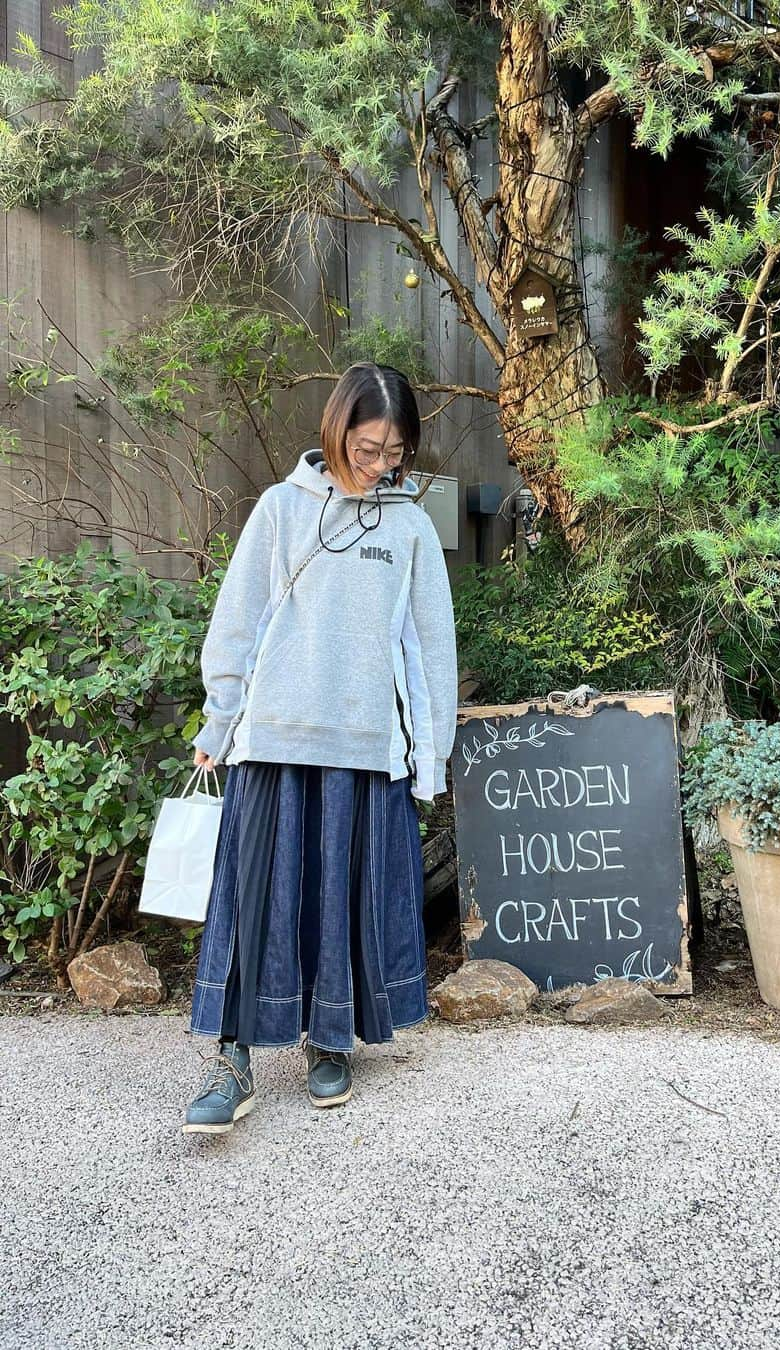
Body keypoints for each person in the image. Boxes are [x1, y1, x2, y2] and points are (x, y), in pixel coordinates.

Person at [180, 362, 458, 1135]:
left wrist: (427, 759)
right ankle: (232, 1061)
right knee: (251, 899)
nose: (380, 466)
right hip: (271, 739)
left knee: (346, 898)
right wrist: (218, 723)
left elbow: (431, 650)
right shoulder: (280, 510)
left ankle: (330, 1041)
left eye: (394, 452)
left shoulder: (408, 526)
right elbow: (237, 624)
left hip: (366, 746)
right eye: (368, 448)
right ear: (336, 430)